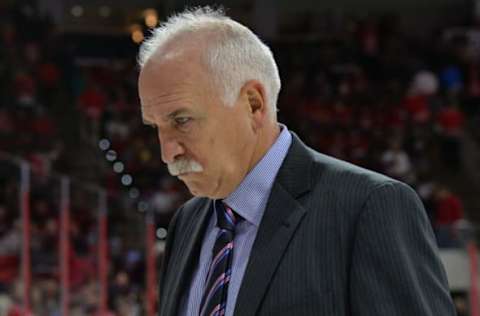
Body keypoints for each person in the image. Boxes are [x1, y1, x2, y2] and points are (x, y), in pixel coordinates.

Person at [137, 7, 455, 316]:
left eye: (181, 120)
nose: (167, 153)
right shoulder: (187, 222)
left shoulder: (369, 207)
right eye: (155, 127)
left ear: (253, 104)